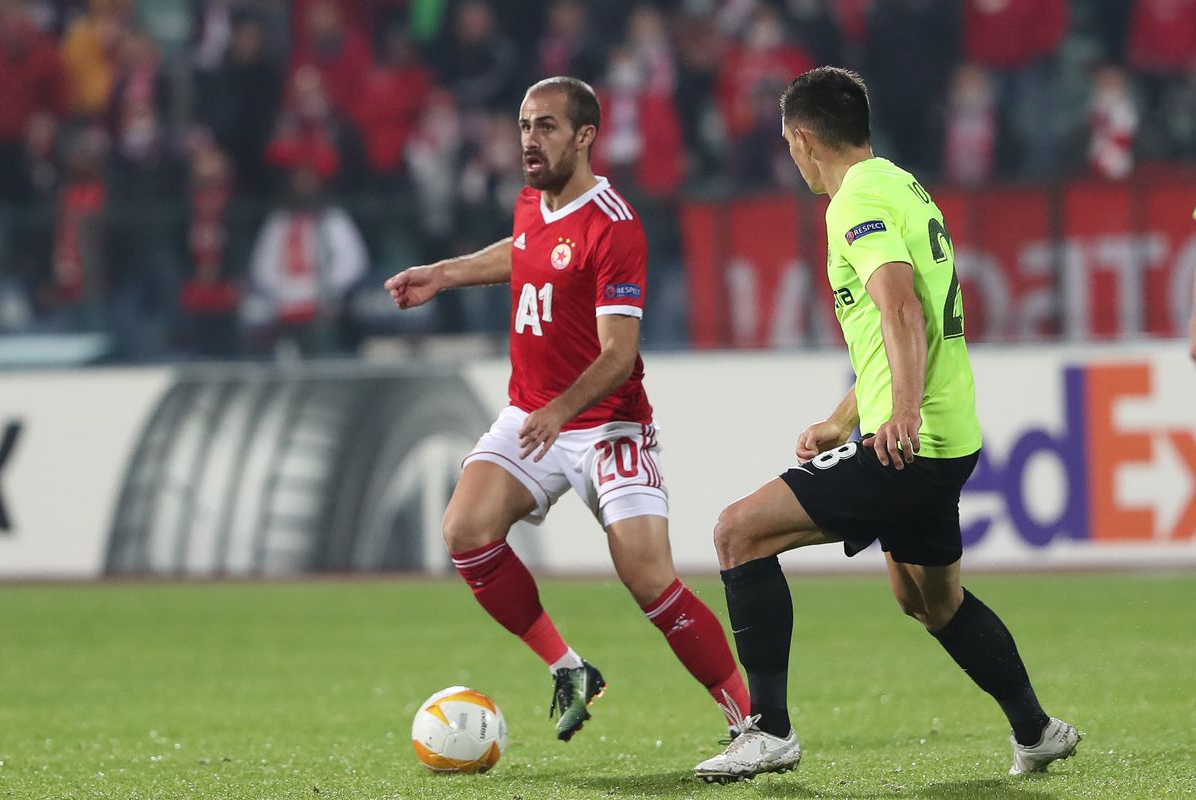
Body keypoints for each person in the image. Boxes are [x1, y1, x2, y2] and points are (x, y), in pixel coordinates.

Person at [693, 67, 1080, 783]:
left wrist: (896, 413)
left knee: (737, 532)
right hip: (948, 434)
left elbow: (901, 306)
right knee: (929, 600)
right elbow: (893, 328)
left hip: (910, 441)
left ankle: (769, 730)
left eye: (789, 144)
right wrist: (847, 416)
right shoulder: (903, 184)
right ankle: (1037, 729)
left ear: (804, 139)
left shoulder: (854, 201)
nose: (793, 157)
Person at [385, 76, 749, 742]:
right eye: (525, 124)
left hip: (609, 426)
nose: (530, 138)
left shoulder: (614, 225)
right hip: (532, 416)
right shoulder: (532, 202)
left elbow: (618, 355)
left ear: (585, 137)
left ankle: (749, 720)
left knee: (649, 581)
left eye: (546, 126)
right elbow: (523, 254)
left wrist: (558, 411)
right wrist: (445, 273)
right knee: (465, 531)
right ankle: (571, 668)